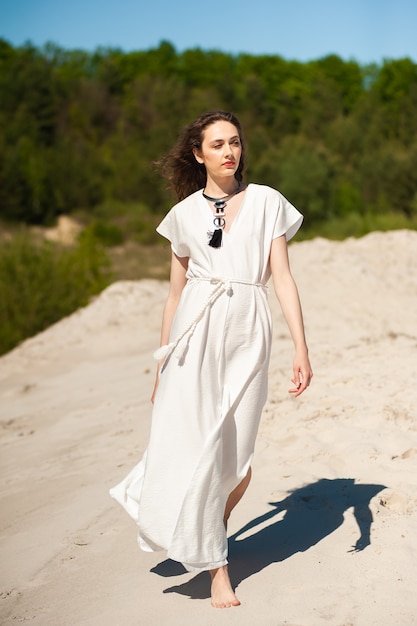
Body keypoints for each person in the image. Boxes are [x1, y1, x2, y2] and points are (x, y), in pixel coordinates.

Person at [110, 110, 313, 608]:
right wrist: (162, 360)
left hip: (249, 330)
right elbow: (175, 295)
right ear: (198, 154)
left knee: (238, 460)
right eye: (217, 144)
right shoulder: (182, 215)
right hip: (194, 338)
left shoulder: (266, 201)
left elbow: (282, 278)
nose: (229, 151)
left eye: (235, 142)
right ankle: (215, 564)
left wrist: (301, 347)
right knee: (197, 444)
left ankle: (203, 530)